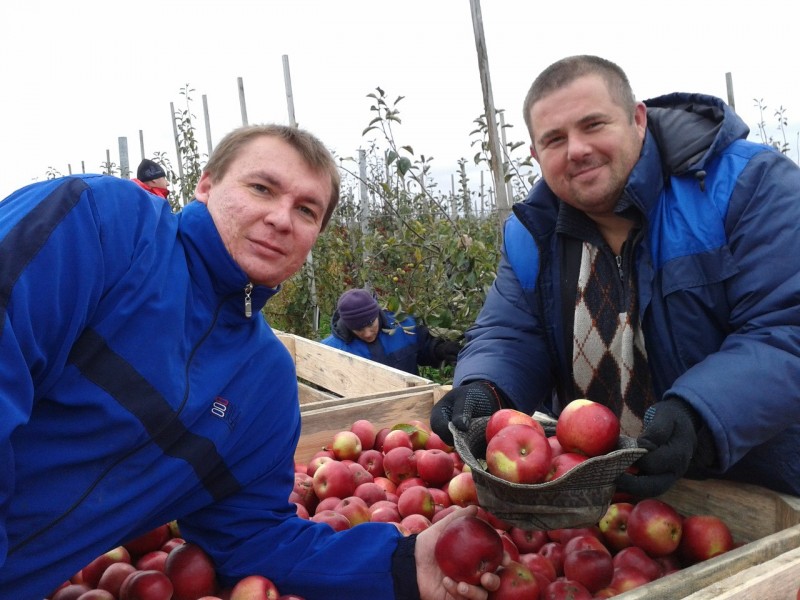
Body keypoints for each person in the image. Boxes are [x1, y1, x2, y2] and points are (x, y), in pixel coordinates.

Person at [0, 124, 499, 600]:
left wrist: (404, 564)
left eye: (307, 211)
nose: (282, 218)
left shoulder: (264, 383)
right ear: (206, 185)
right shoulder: (108, 227)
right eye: (261, 188)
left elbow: (247, 536)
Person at [430, 55, 800, 500]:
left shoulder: (747, 185)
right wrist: (485, 387)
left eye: (593, 125)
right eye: (554, 139)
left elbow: (786, 326)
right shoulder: (534, 233)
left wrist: (700, 415)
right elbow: (511, 332)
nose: (577, 149)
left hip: (759, 493)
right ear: (534, 154)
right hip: (602, 502)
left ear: (638, 120)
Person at [321, 288, 461, 375]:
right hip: (362, 419)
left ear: (377, 313)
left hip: (410, 409)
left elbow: (424, 349)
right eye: (358, 329)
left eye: (371, 324)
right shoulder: (330, 350)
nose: (368, 333)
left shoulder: (404, 326)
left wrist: (440, 350)